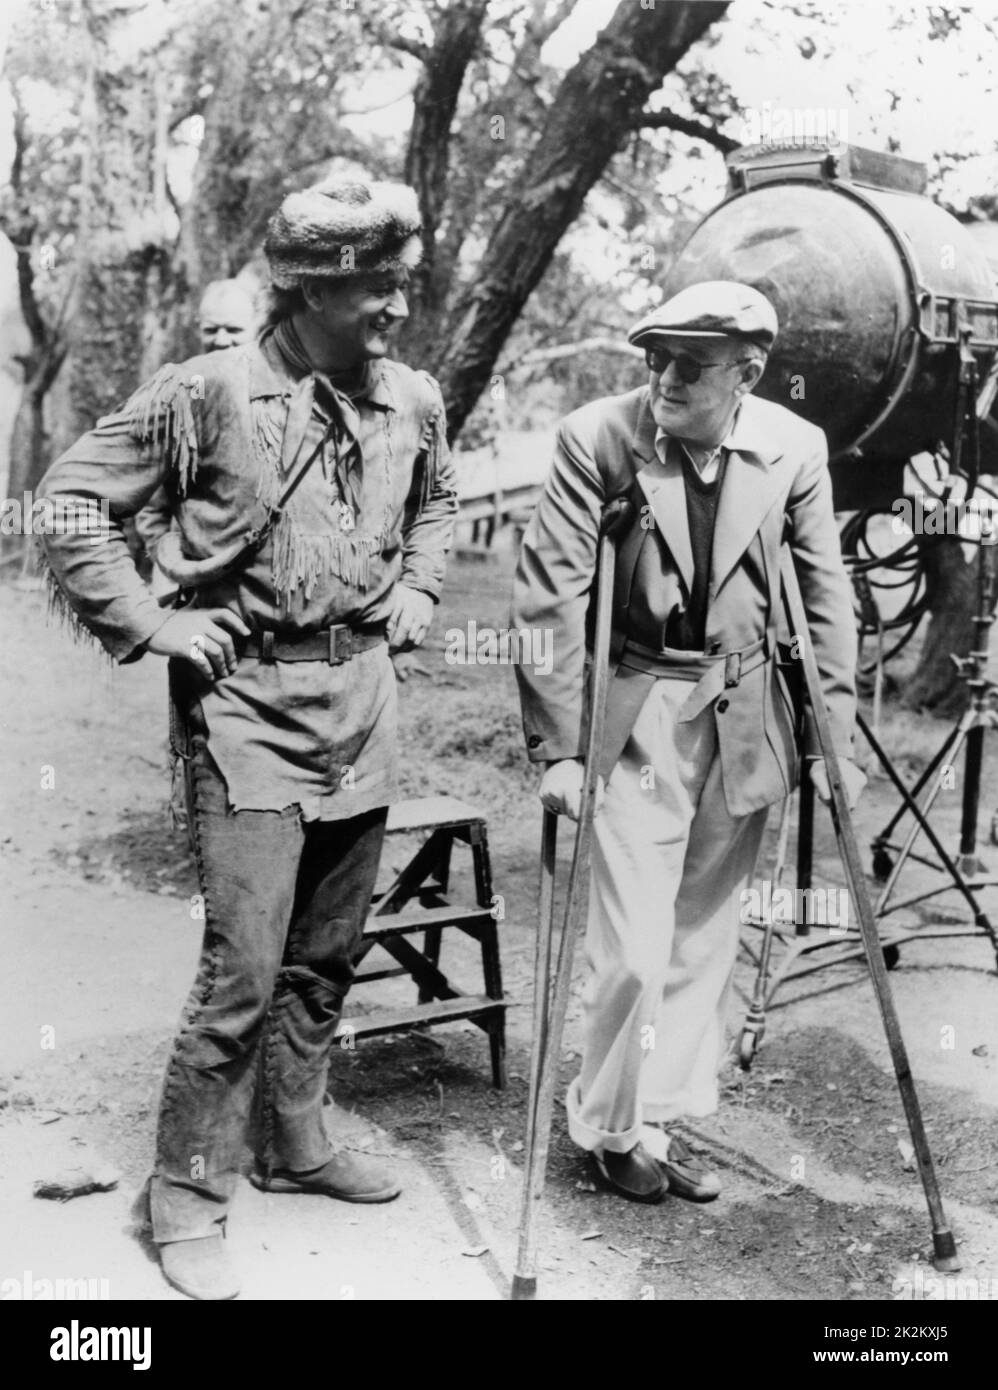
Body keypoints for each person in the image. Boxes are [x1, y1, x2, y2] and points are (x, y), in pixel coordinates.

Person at [37, 178, 457, 1298]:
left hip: (362, 705)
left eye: (399, 283)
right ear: (314, 285)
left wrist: (418, 584)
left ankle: (297, 1140)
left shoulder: (411, 398)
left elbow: (438, 503)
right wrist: (153, 622)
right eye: (379, 286)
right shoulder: (209, 390)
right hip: (248, 718)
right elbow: (71, 498)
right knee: (243, 972)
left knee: (323, 961)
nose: (396, 308)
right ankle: (185, 1195)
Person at [511, 280, 866, 1206]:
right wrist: (557, 747)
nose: (665, 376)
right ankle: (606, 1123)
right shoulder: (601, 436)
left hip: (742, 713)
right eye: (656, 356)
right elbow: (550, 597)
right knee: (632, 943)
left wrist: (838, 747)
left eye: (691, 364)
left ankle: (650, 1120)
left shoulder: (795, 448)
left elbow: (826, 604)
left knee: (703, 936)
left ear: (748, 375)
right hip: (636, 712)